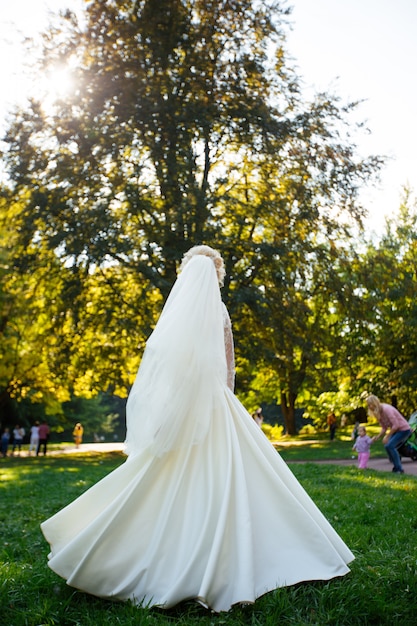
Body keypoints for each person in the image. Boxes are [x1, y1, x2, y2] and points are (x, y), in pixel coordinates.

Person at [41, 245, 353, 612]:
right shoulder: (219, 312)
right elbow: (228, 366)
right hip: (217, 403)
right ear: (217, 275)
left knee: (158, 477)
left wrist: (170, 410)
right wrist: (227, 402)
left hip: (185, 405)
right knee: (237, 472)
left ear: (186, 275)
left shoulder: (178, 316)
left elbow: (168, 369)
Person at [366, 395, 412, 474]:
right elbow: (384, 427)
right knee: (387, 446)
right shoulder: (378, 413)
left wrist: (387, 436)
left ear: (375, 403)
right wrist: (378, 437)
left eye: (370, 404)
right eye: (368, 405)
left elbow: (396, 425)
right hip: (397, 430)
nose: (369, 407)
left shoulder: (387, 409)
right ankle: (396, 467)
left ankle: (399, 469)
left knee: (390, 445)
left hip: (404, 429)